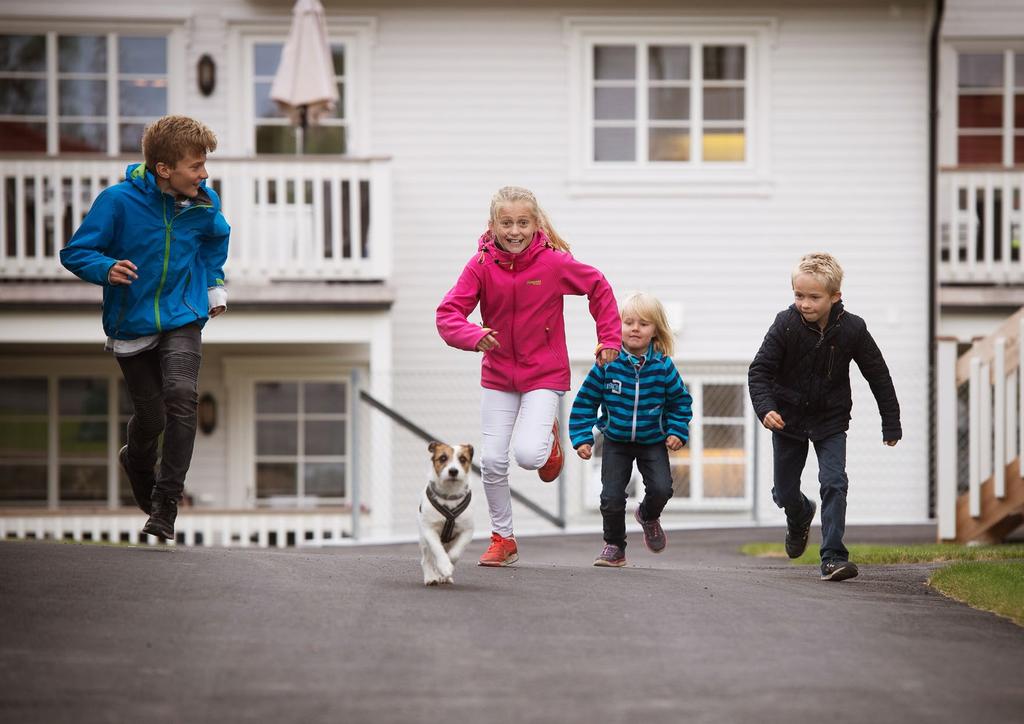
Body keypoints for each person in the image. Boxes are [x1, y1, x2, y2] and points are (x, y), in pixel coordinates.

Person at [60, 115, 230, 542]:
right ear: (164, 169)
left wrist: (212, 284)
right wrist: (105, 267)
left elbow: (216, 240)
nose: (204, 174)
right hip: (131, 321)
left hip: (184, 314)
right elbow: (75, 251)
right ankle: (136, 462)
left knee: (181, 396)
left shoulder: (205, 204)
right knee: (151, 418)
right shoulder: (117, 202)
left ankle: (166, 501)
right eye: (196, 166)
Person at [436, 186, 621, 566]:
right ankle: (503, 538)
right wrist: (474, 336)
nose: (514, 231)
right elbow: (447, 315)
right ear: (493, 226)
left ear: (536, 225)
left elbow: (598, 286)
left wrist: (609, 338)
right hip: (499, 374)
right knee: (491, 461)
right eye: (507, 223)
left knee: (527, 455)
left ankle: (549, 441)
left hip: (544, 373)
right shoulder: (480, 266)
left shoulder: (553, 264)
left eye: (523, 223)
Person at [748, 253, 901, 581]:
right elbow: (760, 370)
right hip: (787, 419)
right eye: (798, 295)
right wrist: (766, 408)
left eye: (813, 297)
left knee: (834, 482)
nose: (804, 303)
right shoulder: (785, 324)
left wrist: (891, 421)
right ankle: (800, 514)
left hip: (830, 420)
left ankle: (833, 556)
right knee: (784, 492)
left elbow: (878, 375)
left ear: (835, 297)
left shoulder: (853, 329)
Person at [568, 292, 692, 567]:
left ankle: (648, 515)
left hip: (652, 440)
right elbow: (585, 402)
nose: (635, 328)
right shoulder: (607, 364)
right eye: (628, 322)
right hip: (616, 440)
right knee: (611, 497)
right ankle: (614, 546)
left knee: (661, 489)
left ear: (655, 330)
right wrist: (581, 438)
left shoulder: (663, 367)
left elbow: (680, 401)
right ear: (617, 326)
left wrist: (676, 430)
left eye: (644, 323)